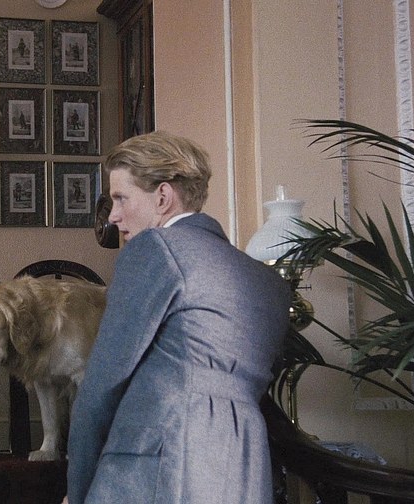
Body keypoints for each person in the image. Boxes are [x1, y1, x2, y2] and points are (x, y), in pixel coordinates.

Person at [64, 131, 291, 503]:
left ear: (163, 196)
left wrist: (76, 491)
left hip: (155, 466)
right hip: (243, 466)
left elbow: (102, 386)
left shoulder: (154, 248)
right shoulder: (270, 282)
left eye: (121, 198)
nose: (114, 216)